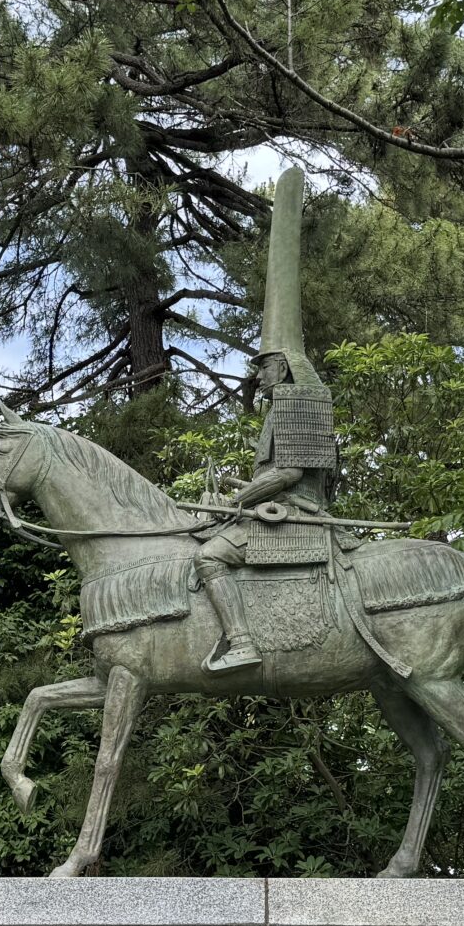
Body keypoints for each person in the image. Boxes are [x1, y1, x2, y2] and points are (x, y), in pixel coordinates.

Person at [195, 167, 337, 673]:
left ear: (283, 363)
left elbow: (290, 476)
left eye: (265, 365)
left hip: (296, 516)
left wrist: (239, 499)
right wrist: (238, 484)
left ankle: (242, 643)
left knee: (208, 557)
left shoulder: (300, 400)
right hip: (275, 508)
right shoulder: (285, 404)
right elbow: (271, 472)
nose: (260, 374)